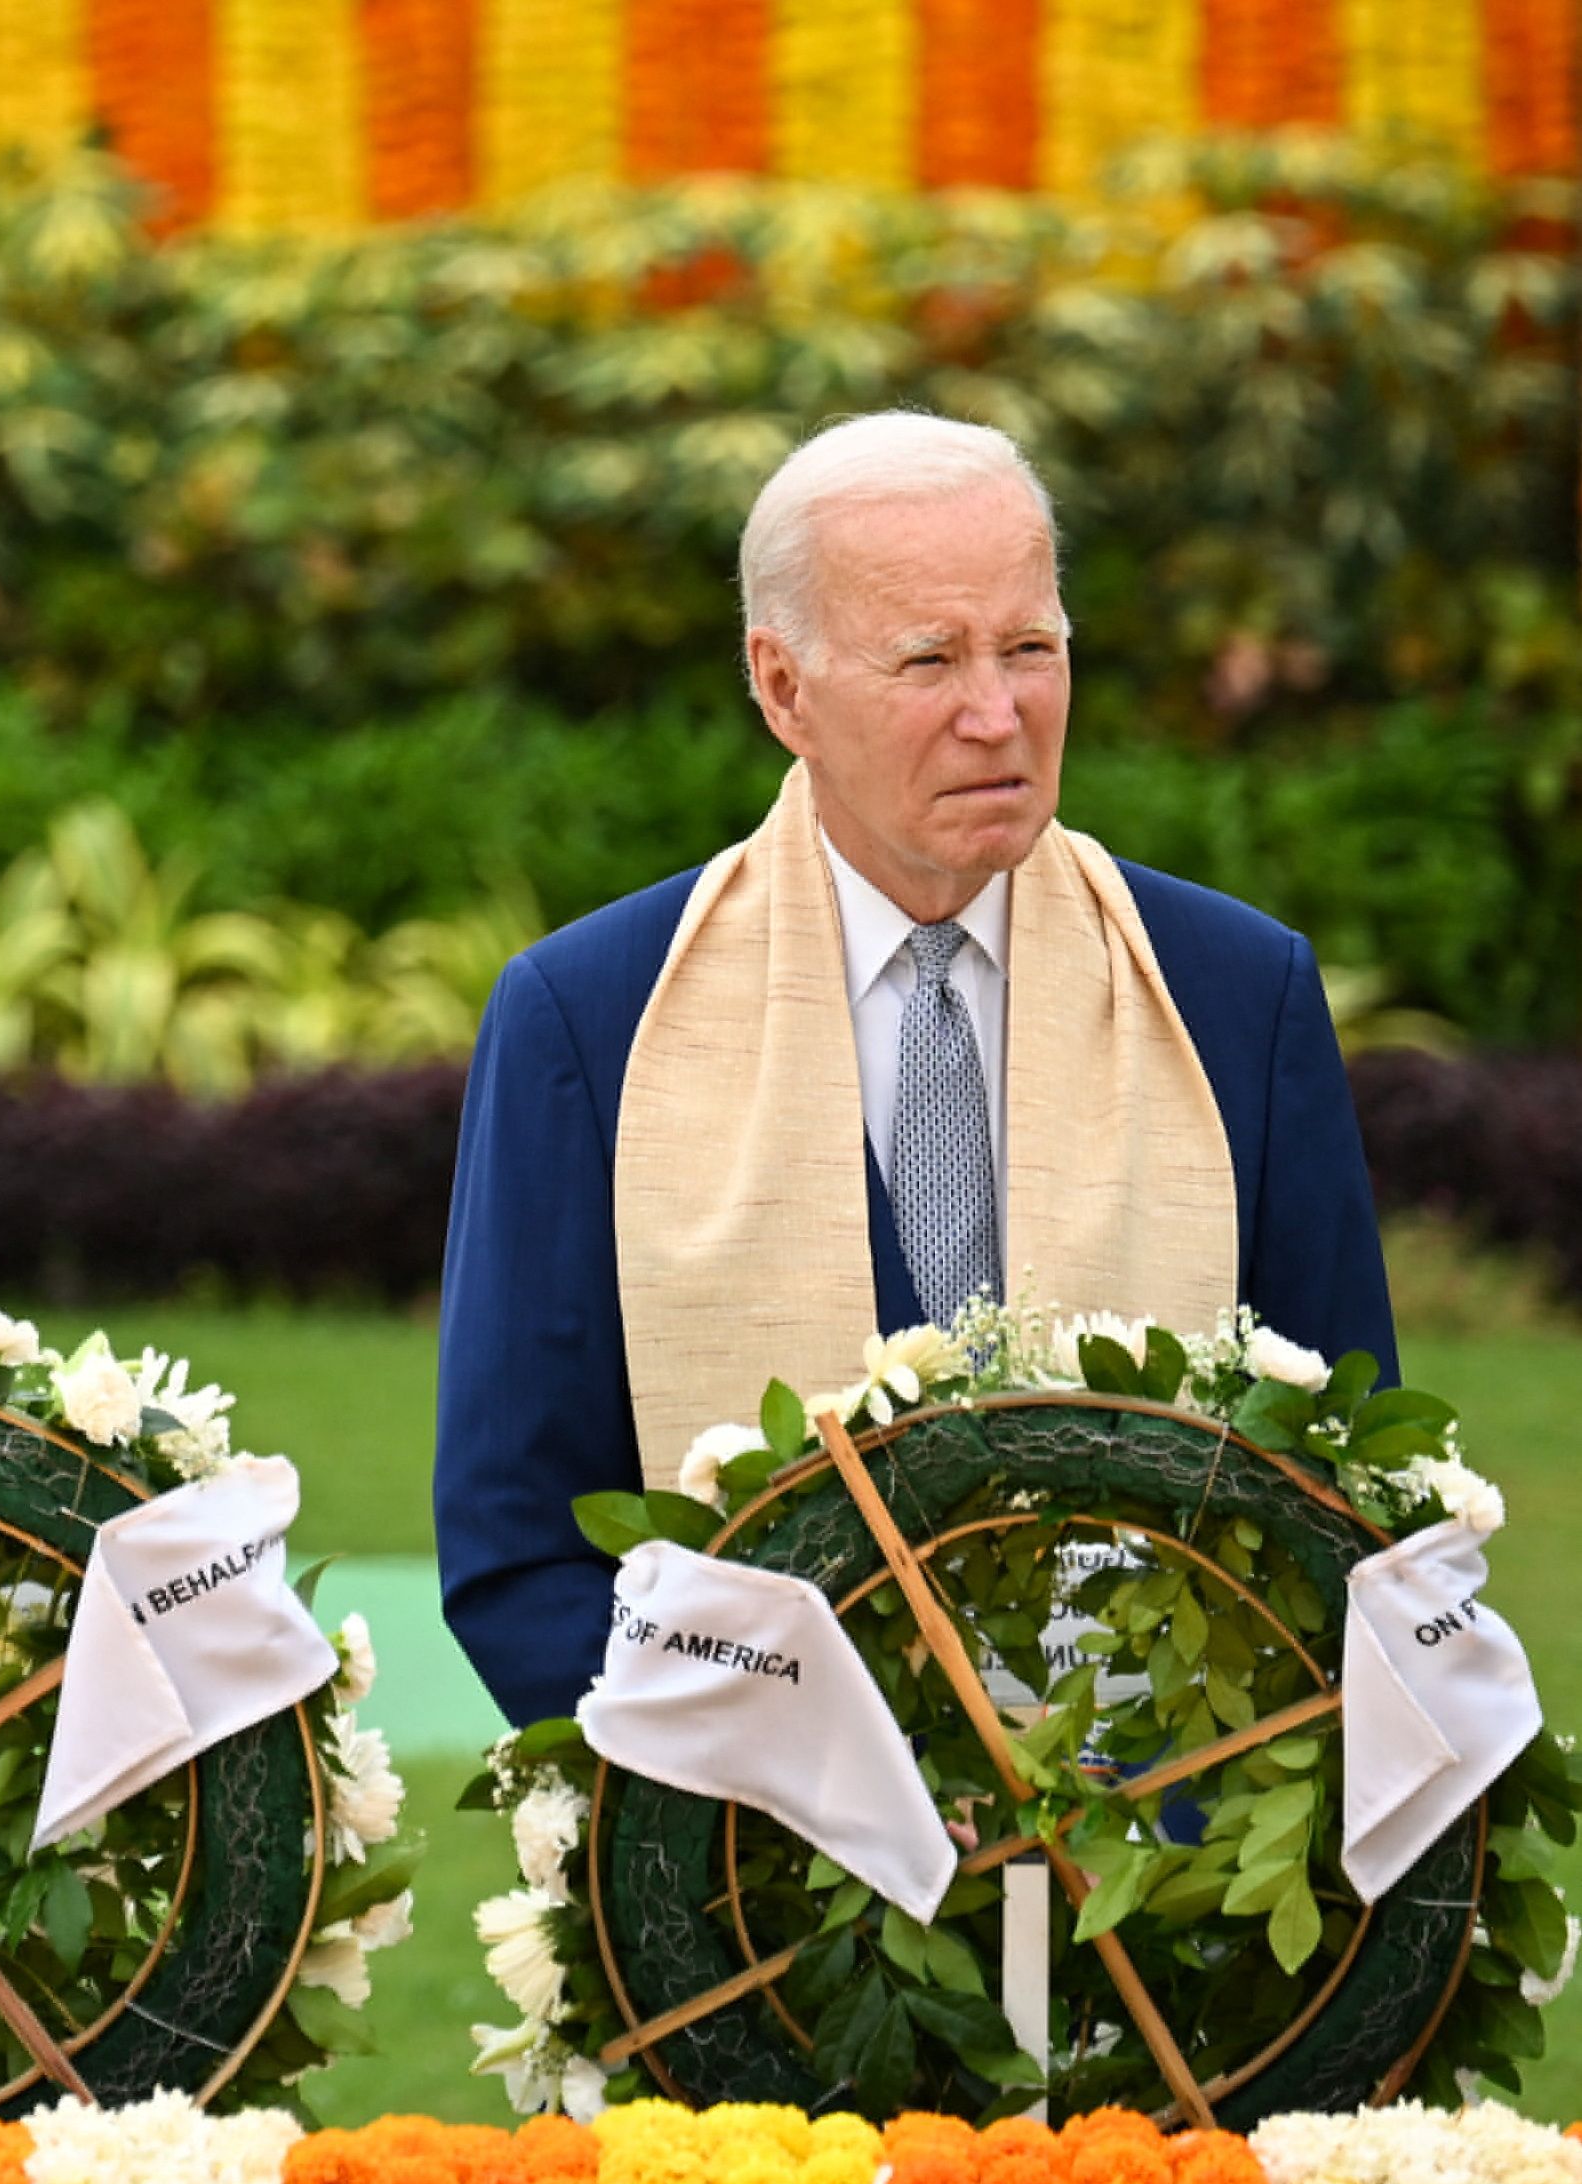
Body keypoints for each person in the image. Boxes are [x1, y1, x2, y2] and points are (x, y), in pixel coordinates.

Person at [432, 413, 1397, 1727]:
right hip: (754, 1879)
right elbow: (520, 1554)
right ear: (781, 690)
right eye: (929, 658)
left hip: (1169, 1876)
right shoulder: (586, 1021)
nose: (996, 713)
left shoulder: (1233, 997)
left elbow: (1355, 1496)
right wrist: (789, 1791)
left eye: (1029, 649)